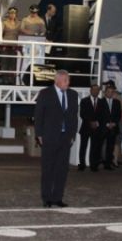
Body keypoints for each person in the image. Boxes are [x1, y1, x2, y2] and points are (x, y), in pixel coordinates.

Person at [34, 70, 78, 207]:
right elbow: (39, 115)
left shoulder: (73, 94)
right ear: (57, 80)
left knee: (62, 169)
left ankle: (57, 197)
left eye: (68, 80)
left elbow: (74, 116)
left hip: (65, 138)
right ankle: (47, 198)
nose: (68, 83)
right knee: (48, 169)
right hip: (49, 137)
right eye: (65, 80)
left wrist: (72, 135)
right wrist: (39, 134)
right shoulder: (45, 93)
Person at [96, 85, 122, 170]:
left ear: (113, 93)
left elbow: (119, 115)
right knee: (99, 146)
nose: (110, 93)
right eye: (108, 92)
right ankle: (96, 163)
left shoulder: (117, 102)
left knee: (110, 147)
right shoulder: (100, 102)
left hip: (113, 128)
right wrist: (106, 124)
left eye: (112, 92)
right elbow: (98, 115)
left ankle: (108, 164)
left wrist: (114, 123)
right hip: (103, 128)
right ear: (105, 92)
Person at [78, 84, 100, 171]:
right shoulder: (84, 101)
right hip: (86, 127)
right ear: (90, 90)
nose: (96, 91)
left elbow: (102, 115)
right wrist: (90, 122)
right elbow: (82, 114)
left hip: (96, 128)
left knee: (94, 148)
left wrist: (97, 122)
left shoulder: (101, 102)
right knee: (83, 147)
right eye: (94, 90)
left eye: (97, 90)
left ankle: (93, 165)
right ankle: (82, 164)